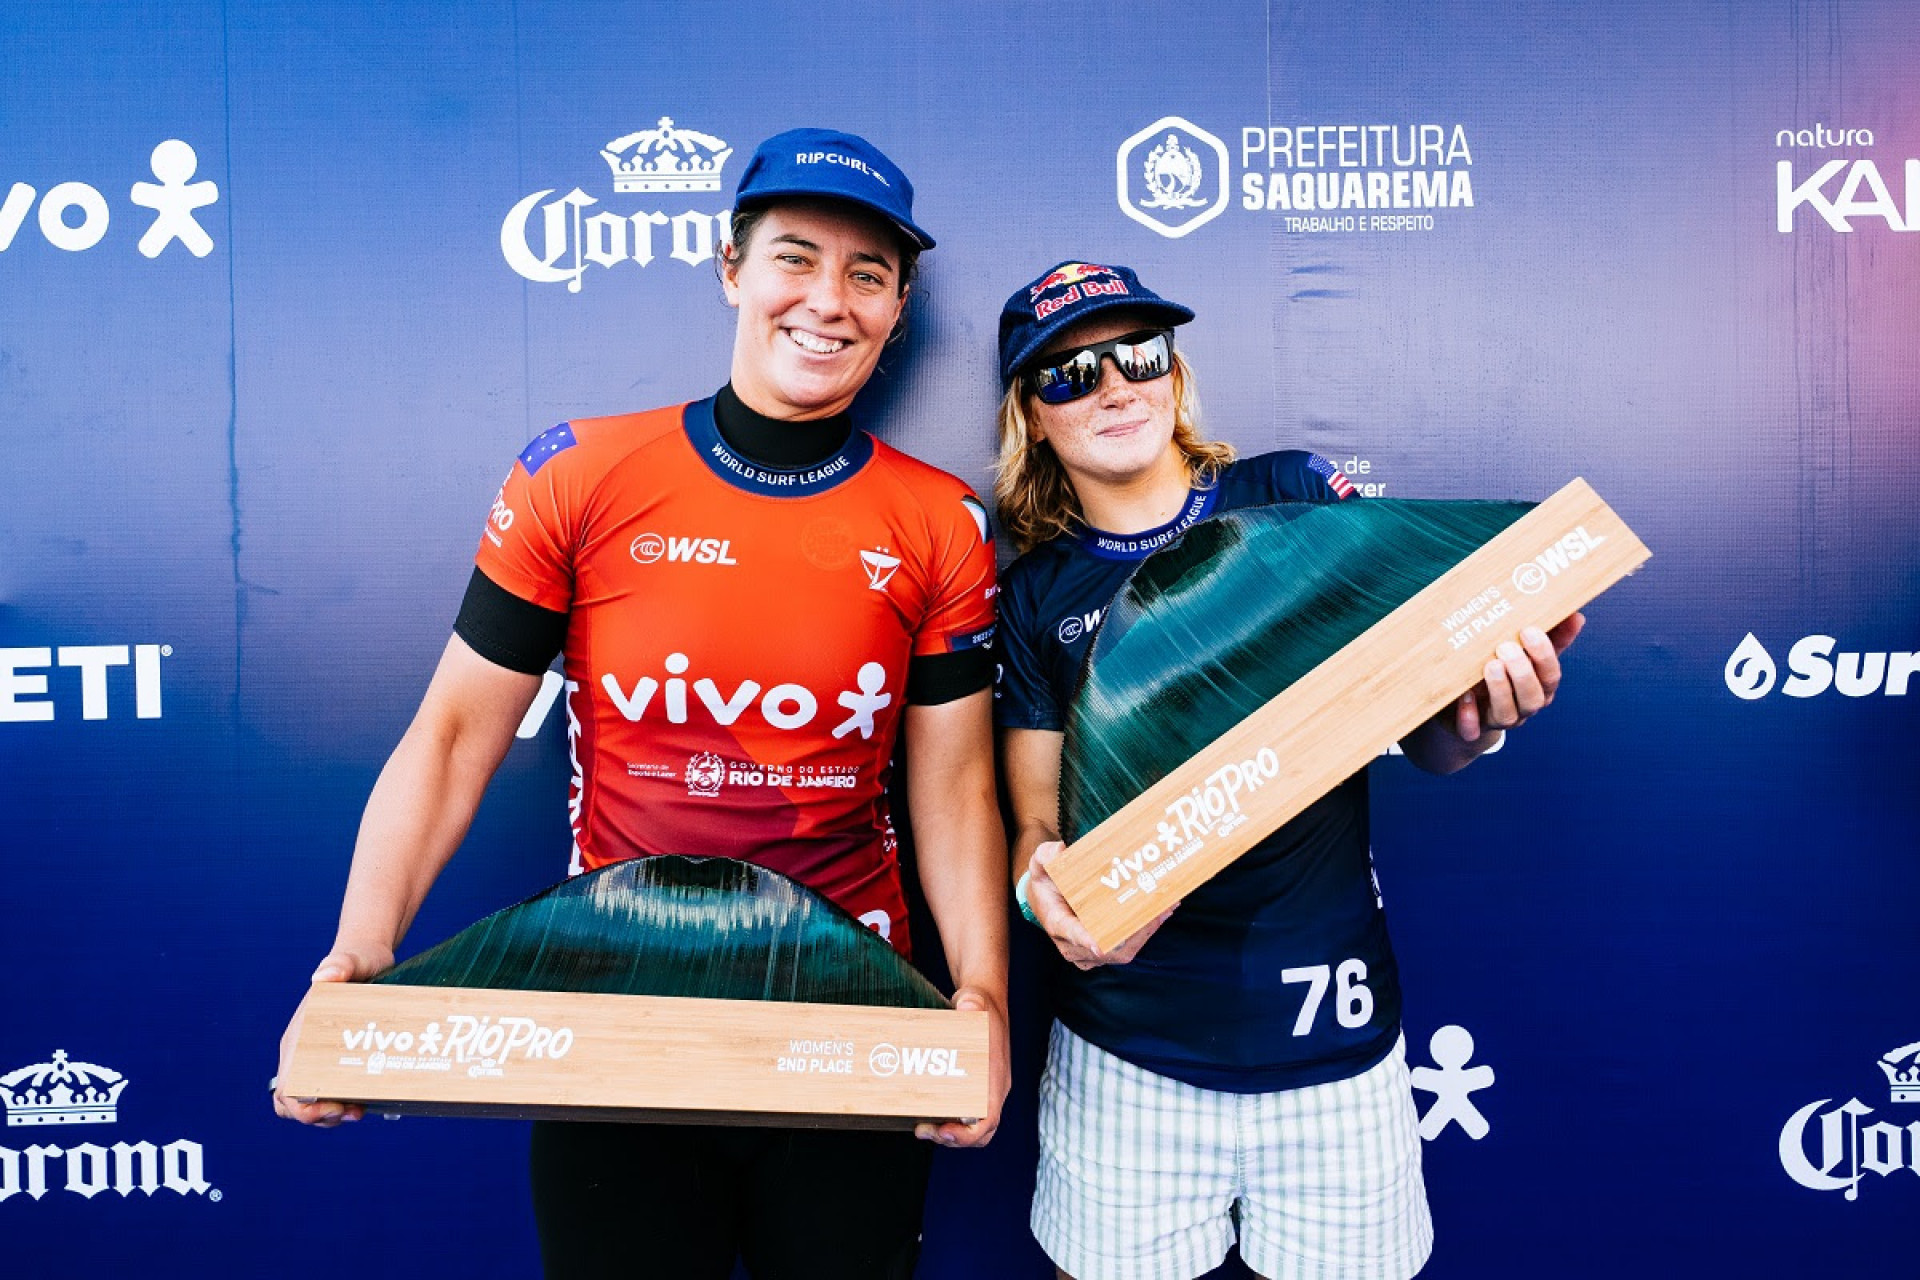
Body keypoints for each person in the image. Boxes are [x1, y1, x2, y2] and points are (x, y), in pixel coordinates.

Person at [274, 128, 1010, 1280]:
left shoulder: (940, 520)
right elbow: (457, 735)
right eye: (795, 258)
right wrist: (359, 955)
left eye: (867, 275)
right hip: (610, 1018)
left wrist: (980, 999)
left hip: (855, 1022)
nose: (828, 300)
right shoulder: (578, 472)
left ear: (900, 308)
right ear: (730, 269)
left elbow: (958, 790)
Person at [991, 260, 1582, 1280]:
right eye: (1069, 374)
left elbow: (1432, 736)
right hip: (1129, 1058)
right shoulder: (1037, 594)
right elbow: (1036, 832)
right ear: (1031, 418)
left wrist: (1486, 712)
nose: (1114, 385)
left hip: (1333, 1053)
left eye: (1139, 354)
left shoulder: (1291, 493)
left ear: (1174, 376)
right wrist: (1049, 900)